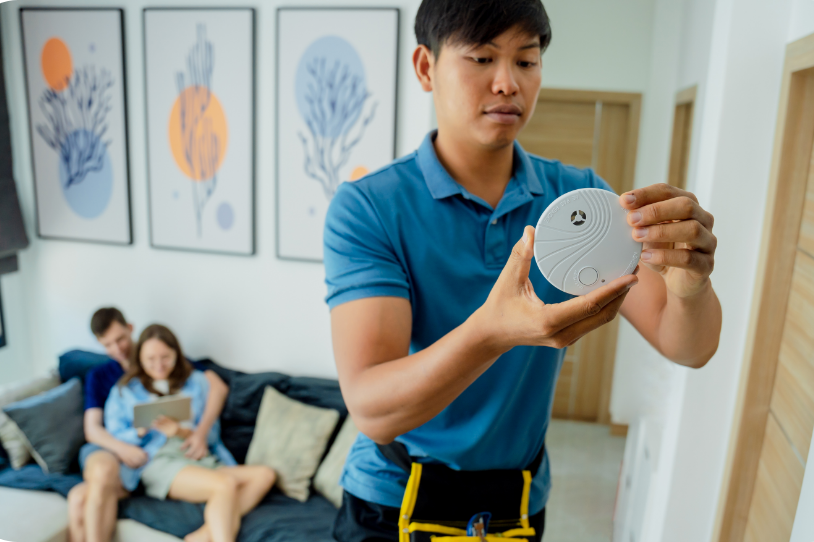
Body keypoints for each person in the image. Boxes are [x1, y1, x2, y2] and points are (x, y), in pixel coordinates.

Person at [323, 0, 722, 540]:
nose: (508, 83)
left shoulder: (580, 197)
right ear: (425, 67)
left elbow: (688, 347)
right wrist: (493, 333)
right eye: (482, 58)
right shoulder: (370, 207)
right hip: (391, 503)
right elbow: (372, 409)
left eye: (527, 62)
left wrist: (691, 283)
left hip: (516, 505)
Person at [67, 308, 230, 542]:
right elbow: (93, 429)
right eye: (108, 345)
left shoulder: (157, 355)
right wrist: (123, 449)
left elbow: (217, 386)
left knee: (79, 498)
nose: (117, 349)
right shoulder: (101, 376)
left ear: (130, 328)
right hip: (109, 445)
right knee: (102, 473)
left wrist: (201, 433)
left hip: (148, 448)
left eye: (120, 339)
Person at [104, 324, 275, 542]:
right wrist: (138, 432)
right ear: (140, 358)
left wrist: (182, 432)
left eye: (165, 357)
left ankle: (201, 536)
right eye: (150, 359)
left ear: (176, 354)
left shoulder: (196, 383)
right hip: (159, 461)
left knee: (265, 475)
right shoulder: (125, 390)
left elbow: (211, 436)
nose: (158, 365)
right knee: (225, 485)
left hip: (196, 455)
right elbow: (114, 435)